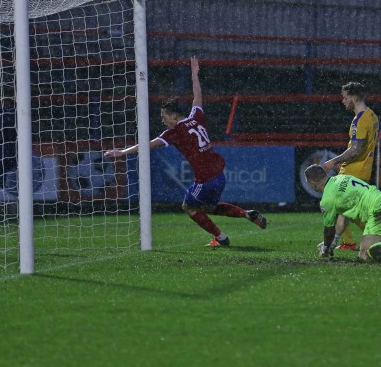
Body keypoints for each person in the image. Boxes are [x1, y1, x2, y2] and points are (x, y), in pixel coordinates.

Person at [104, 56, 268, 246]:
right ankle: (246, 214)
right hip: (219, 175)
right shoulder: (196, 117)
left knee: (189, 206)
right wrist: (194, 75)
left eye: (164, 116)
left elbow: (146, 145)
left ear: (174, 116)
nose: (163, 120)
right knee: (208, 207)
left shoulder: (175, 132)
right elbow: (197, 96)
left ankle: (221, 238)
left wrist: (122, 152)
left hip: (205, 180)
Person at [321, 82, 379, 252]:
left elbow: (356, 149)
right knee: (346, 209)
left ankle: (378, 235)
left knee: (338, 207)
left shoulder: (360, 119)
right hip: (361, 170)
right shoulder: (372, 115)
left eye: (345, 98)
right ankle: (348, 241)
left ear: (354, 98)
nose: (343, 101)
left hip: (354, 172)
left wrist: (334, 161)